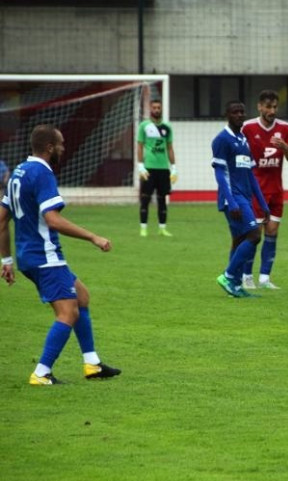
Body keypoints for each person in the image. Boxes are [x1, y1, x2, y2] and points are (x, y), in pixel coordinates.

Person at [0, 124, 121, 385]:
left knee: (82, 296)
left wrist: (7, 260)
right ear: (49, 148)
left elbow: (1, 220)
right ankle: (41, 373)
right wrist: (93, 237)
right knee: (68, 312)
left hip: (27, 257)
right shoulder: (42, 173)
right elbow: (53, 220)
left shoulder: (18, 173)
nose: (64, 149)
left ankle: (92, 364)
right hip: (44, 256)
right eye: (62, 144)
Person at [212, 101, 270, 298]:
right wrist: (232, 201)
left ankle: (234, 286)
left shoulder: (243, 139)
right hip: (233, 198)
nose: (239, 115)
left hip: (244, 197)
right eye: (235, 112)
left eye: (242, 112)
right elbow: (220, 174)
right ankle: (228, 276)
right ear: (227, 115)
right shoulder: (222, 139)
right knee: (254, 235)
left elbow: (251, 175)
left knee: (239, 241)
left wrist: (262, 204)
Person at [240, 89, 288, 290]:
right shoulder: (247, 128)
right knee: (254, 234)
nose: (272, 110)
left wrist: (284, 148)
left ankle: (264, 278)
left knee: (272, 231)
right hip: (256, 191)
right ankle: (246, 276)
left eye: (275, 107)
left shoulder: (285, 129)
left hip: (276, 190)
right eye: (268, 107)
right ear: (260, 107)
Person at [137, 99, 177, 236]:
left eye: (158, 107)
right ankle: (143, 228)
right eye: (154, 107)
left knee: (162, 199)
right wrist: (140, 165)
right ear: (150, 109)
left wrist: (174, 167)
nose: (156, 110)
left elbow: (170, 148)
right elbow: (140, 146)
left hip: (163, 169)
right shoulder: (144, 126)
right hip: (148, 168)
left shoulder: (167, 127)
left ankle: (162, 228)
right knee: (145, 199)